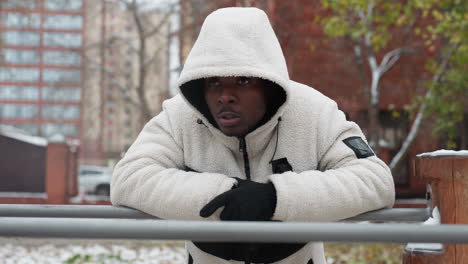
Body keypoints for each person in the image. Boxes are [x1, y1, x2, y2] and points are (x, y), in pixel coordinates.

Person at [111, 7, 395, 264]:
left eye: (243, 81)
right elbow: (129, 178)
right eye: (213, 82)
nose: (225, 96)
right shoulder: (180, 117)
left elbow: (375, 181)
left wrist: (274, 197)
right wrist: (224, 195)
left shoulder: (313, 111)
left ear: (269, 84)